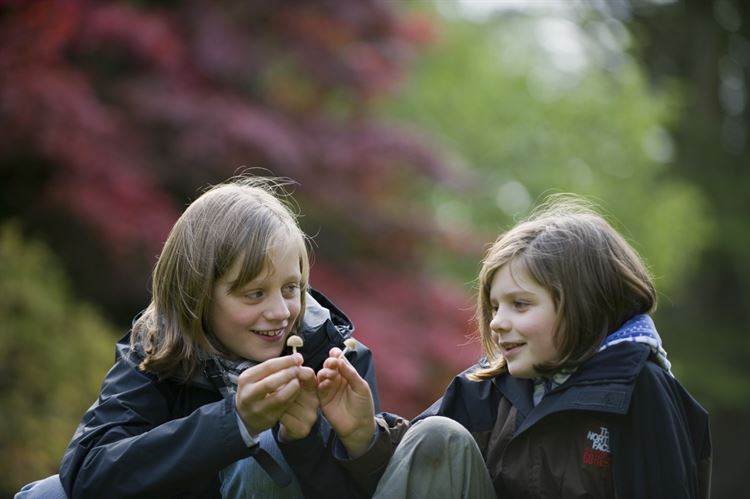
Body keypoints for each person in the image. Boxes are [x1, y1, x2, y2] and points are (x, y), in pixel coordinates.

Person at [314, 194, 712, 499]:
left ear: (583, 305)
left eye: (520, 305)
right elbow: (418, 478)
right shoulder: (485, 389)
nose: (498, 322)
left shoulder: (641, 391)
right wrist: (363, 436)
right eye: (494, 307)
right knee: (437, 436)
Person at [14, 175, 380, 499]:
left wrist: (307, 442)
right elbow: (88, 474)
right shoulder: (156, 349)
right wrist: (233, 422)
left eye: (291, 288)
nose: (281, 312)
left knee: (264, 456)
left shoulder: (338, 359)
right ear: (198, 296)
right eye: (254, 294)